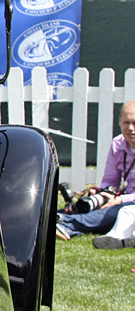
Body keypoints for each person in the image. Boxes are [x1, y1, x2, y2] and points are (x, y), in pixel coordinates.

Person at [57, 100, 135, 242]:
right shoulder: (118, 144)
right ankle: (58, 219)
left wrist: (120, 199)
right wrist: (103, 193)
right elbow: (110, 179)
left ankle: (65, 223)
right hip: (124, 197)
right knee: (93, 205)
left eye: (134, 123)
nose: (130, 128)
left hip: (129, 202)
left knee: (115, 212)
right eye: (126, 122)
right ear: (119, 123)